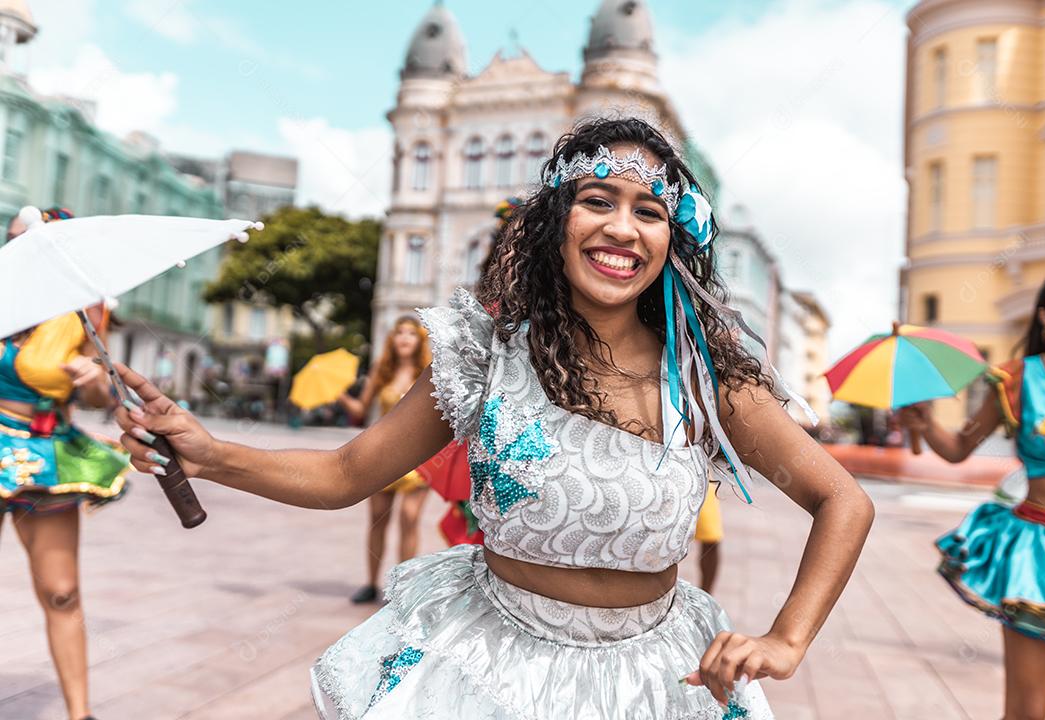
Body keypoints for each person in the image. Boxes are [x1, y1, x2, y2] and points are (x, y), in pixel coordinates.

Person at [114, 118, 873, 719]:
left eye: (649, 211)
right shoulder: (485, 352)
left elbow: (843, 499)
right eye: (598, 200)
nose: (622, 228)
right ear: (559, 223)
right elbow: (347, 473)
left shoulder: (707, 379)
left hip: (659, 682)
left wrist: (788, 637)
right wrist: (212, 453)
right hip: (484, 666)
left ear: (673, 240)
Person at [899, 262, 1045, 720]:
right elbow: (960, 449)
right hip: (1038, 555)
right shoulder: (1016, 380)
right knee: (1026, 712)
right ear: (1043, 315)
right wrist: (925, 421)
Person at [0, 206, 130, 720]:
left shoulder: (79, 309)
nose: (18, 249)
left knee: (61, 591)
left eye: (31, 240)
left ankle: (81, 715)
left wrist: (92, 378)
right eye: (12, 240)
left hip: (48, 451)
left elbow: (106, 391)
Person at [337, 316, 432, 603]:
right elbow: (360, 408)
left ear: (419, 340)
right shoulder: (383, 369)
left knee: (409, 518)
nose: (404, 338)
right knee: (378, 520)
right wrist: (339, 395)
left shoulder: (427, 372)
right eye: (399, 332)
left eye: (410, 333)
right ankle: (370, 583)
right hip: (384, 456)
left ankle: (403, 587)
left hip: (419, 457)